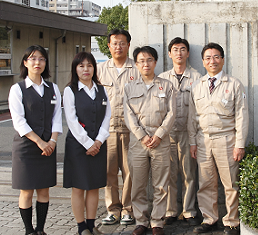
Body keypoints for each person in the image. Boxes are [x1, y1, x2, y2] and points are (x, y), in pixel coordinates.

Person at [188, 43, 249, 235]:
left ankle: (232, 221)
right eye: (208, 57)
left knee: (230, 183)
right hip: (203, 140)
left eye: (216, 57)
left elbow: (242, 115)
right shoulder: (197, 85)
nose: (212, 61)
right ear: (203, 61)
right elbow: (192, 116)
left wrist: (240, 144)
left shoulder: (234, 84)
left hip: (227, 140)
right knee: (205, 183)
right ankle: (209, 219)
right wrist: (192, 142)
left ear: (222, 59)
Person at [8, 45, 62, 235]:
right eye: (32, 58)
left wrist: (52, 142)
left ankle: (40, 230)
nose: (37, 62)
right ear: (25, 62)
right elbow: (19, 121)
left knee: (44, 191)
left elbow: (57, 118)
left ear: (45, 63)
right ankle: (29, 230)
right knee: (26, 191)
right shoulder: (18, 89)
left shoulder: (53, 88)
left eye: (41, 59)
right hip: (26, 148)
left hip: (48, 147)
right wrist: (41, 142)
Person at [124, 46, 176, 235]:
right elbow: (128, 115)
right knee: (138, 184)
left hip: (160, 142)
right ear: (136, 64)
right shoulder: (129, 87)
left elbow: (172, 113)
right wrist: (143, 136)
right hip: (138, 143)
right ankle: (141, 221)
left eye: (149, 60)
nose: (146, 64)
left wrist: (159, 134)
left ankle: (157, 222)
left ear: (155, 62)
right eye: (141, 61)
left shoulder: (167, 85)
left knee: (161, 185)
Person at [63, 52, 110, 235]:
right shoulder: (70, 91)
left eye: (89, 65)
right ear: (75, 68)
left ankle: (92, 225)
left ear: (94, 68)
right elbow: (72, 121)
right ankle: (81, 227)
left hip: (99, 144)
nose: (86, 69)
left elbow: (107, 116)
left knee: (94, 186)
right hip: (78, 146)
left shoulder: (101, 89)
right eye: (81, 66)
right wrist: (88, 143)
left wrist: (98, 141)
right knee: (79, 186)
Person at [98, 29, 140, 226]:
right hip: (108, 130)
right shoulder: (100, 69)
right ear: (109, 46)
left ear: (128, 45)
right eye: (114, 43)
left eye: (122, 43)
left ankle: (128, 209)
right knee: (109, 172)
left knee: (130, 171)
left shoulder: (137, 68)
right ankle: (113, 209)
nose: (118, 46)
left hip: (131, 130)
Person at [157, 37, 202, 226]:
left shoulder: (197, 77)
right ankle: (170, 211)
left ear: (188, 53)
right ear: (169, 53)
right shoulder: (163, 78)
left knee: (189, 174)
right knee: (169, 173)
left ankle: (189, 211)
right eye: (175, 49)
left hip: (187, 132)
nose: (179, 53)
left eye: (183, 49)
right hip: (167, 134)